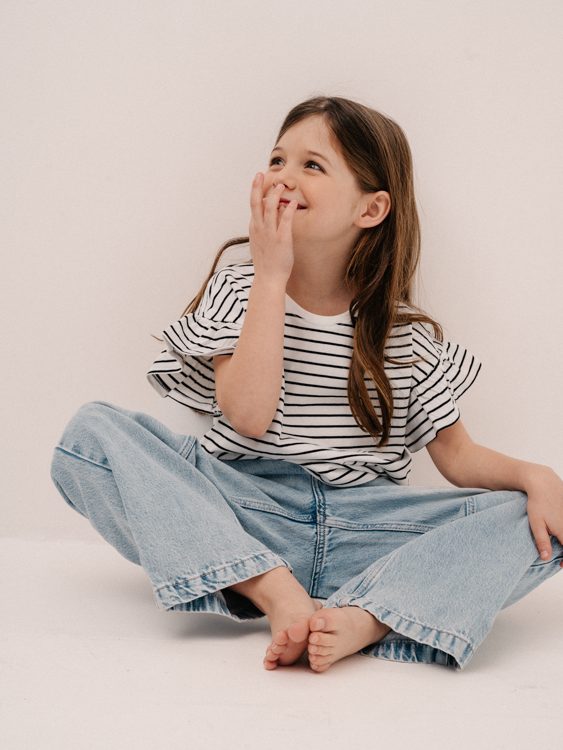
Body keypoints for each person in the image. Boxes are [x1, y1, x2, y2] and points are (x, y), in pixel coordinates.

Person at [50, 95, 563, 674]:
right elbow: (247, 416)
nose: (283, 177)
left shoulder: (405, 335)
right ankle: (272, 588)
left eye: (311, 165)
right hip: (246, 512)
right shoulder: (239, 289)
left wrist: (537, 477)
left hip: (367, 531)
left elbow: (459, 457)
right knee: (90, 435)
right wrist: (270, 276)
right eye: (277, 160)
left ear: (371, 208)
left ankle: (369, 615)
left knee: (535, 520)